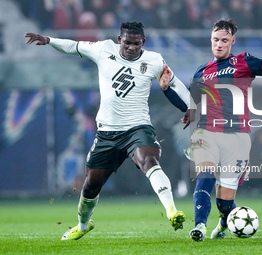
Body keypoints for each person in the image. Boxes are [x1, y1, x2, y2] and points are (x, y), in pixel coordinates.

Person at [25, 21, 194, 240]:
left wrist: (191, 106)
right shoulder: (103, 50)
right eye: (127, 43)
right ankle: (83, 225)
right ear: (119, 40)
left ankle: (171, 211)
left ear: (143, 42)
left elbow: (175, 83)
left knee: (149, 161)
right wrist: (49, 40)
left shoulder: (154, 60)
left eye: (136, 43)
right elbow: (73, 46)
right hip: (107, 133)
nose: (131, 48)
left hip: (138, 127)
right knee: (90, 186)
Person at [182, 18, 262, 241]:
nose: (219, 44)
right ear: (211, 40)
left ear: (232, 41)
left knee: (224, 203)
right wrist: (183, 105)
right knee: (205, 175)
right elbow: (193, 101)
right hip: (206, 131)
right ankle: (199, 227)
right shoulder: (200, 71)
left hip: (237, 136)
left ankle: (225, 223)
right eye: (215, 39)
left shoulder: (244, 62)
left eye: (224, 40)